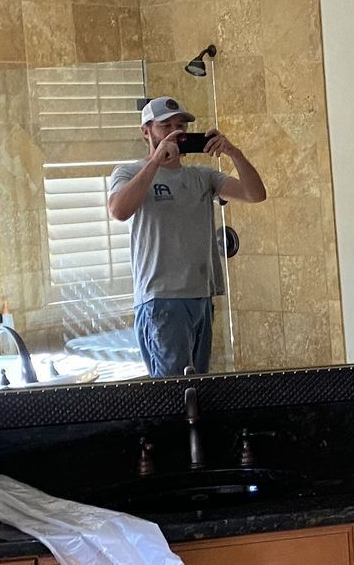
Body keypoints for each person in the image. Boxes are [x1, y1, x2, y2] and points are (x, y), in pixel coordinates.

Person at [108, 95, 267, 377]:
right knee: (173, 391)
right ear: (146, 131)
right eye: (166, 126)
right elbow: (119, 211)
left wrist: (234, 152)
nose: (175, 132)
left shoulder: (202, 177)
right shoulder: (130, 172)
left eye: (180, 125)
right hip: (161, 299)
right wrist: (155, 163)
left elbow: (255, 194)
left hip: (201, 295)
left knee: (197, 388)